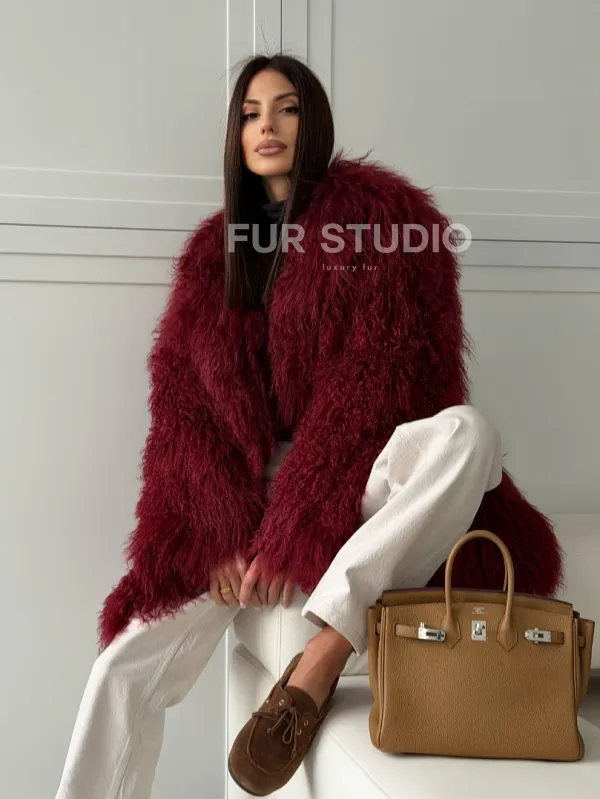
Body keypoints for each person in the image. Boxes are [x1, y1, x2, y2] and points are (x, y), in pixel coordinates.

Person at [55, 55, 562, 798]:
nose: (267, 126)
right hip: (248, 499)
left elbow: (382, 387)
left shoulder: (386, 226)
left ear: (312, 121)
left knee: (469, 437)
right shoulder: (212, 255)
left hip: (352, 481)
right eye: (250, 113)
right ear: (235, 136)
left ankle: (325, 651)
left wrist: (298, 524)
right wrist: (218, 531)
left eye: (286, 108)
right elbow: (184, 410)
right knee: (119, 670)